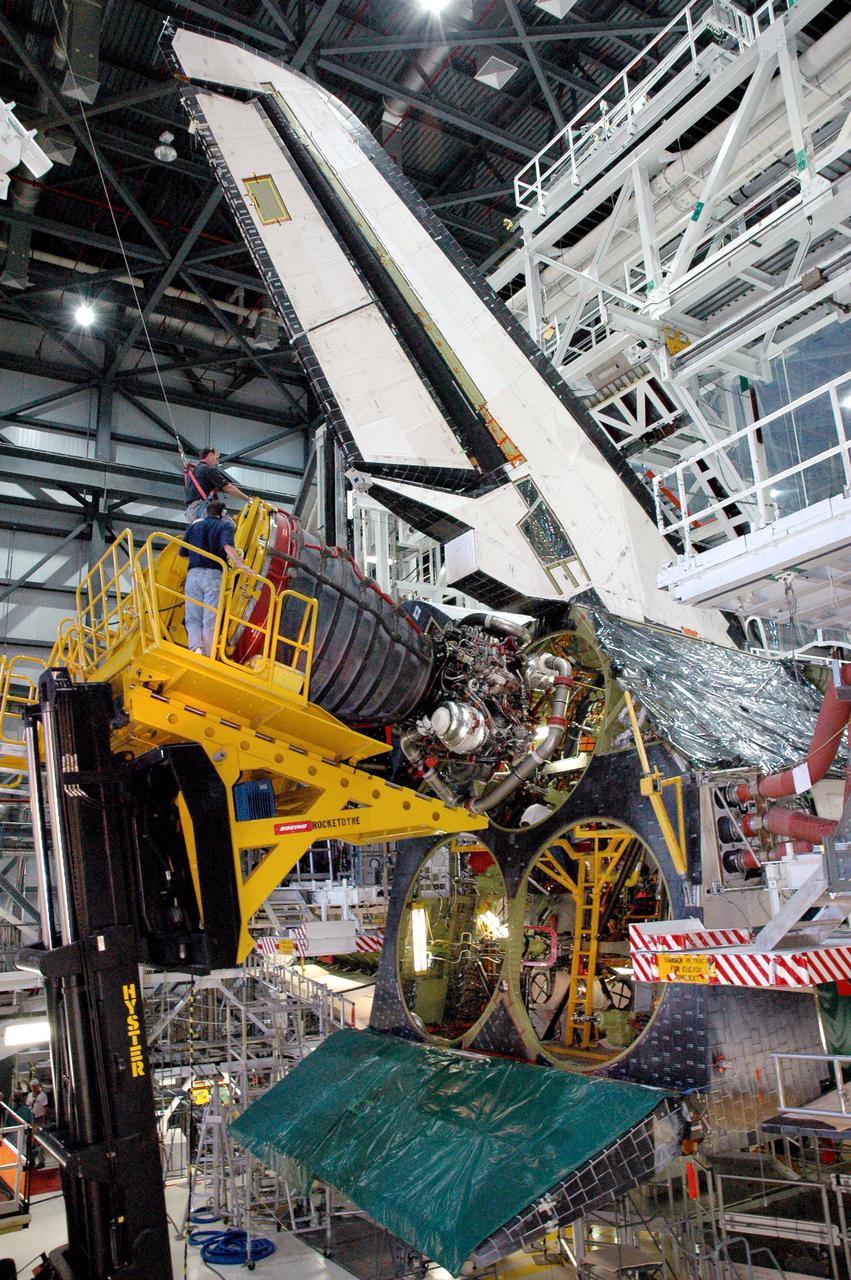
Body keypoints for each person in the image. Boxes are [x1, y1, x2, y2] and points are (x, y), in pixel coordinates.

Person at [181, 501, 251, 657]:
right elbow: (227, 546)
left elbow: (183, 552)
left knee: (192, 617)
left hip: (193, 575)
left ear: (207, 512)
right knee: (210, 618)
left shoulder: (194, 526)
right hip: (213, 575)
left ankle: (196, 649)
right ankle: (208, 656)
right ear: (222, 513)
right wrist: (240, 565)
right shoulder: (224, 526)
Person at [184, 446, 250, 523]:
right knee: (230, 527)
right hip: (203, 509)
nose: (217, 462)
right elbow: (227, 487)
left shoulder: (195, 472)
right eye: (216, 458)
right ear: (210, 455)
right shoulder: (207, 468)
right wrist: (248, 499)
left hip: (191, 513)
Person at [25, 1080, 47, 1168]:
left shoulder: (43, 1096)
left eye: (35, 1086)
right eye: (32, 1086)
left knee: (39, 1141)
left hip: (39, 1119)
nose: (34, 1088)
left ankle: (41, 1160)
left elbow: (45, 1107)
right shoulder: (29, 1096)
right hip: (31, 1119)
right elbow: (27, 1106)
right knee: (31, 1141)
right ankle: (32, 1160)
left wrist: (43, 1121)